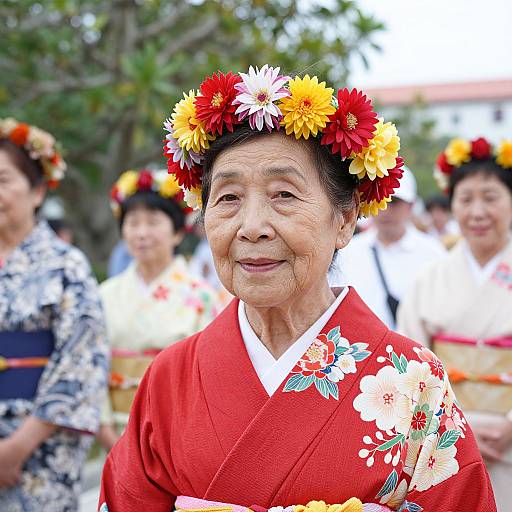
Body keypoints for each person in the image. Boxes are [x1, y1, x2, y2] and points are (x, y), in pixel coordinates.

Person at [99, 67, 495, 511]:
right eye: (228, 198)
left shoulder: (414, 380)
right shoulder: (168, 377)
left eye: (284, 195)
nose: (251, 227)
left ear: (345, 220)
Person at [0, 118, 109, 511]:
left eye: (3, 180)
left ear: (38, 190)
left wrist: (16, 448)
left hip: (41, 444)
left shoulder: (66, 266)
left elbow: (79, 363)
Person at [397, 136, 512, 509]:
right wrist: (457, 426)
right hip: (444, 438)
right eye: (465, 199)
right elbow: (409, 367)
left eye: (490, 198)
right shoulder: (428, 279)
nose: (477, 212)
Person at [98, 169, 221, 450]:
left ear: (177, 232)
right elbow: (91, 366)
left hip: (177, 429)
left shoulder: (201, 296)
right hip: (116, 428)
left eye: (153, 222)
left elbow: (208, 374)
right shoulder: (104, 294)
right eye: (132, 223)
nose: (141, 233)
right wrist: (104, 428)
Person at [329, 167, 445, 329]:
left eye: (394, 202)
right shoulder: (348, 251)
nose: (385, 210)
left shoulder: (433, 253)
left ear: (410, 206)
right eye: (379, 201)